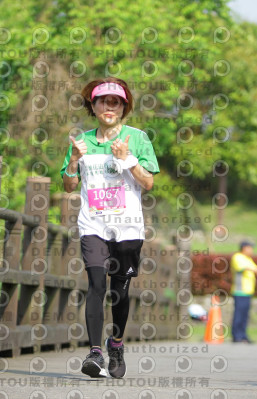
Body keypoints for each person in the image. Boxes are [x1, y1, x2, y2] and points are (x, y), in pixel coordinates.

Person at [60, 78, 159, 378]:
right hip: (93, 223)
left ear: (124, 107)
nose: (108, 106)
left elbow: (149, 183)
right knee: (96, 286)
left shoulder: (138, 138)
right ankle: (94, 353)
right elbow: (68, 186)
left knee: (119, 292)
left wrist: (126, 159)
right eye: (102, 101)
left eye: (115, 101)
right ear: (93, 105)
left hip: (128, 229)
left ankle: (116, 343)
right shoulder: (82, 141)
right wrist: (74, 161)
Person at [230, 241, 257, 343]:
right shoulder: (237, 257)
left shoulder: (248, 259)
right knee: (238, 315)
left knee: (245, 315)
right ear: (244, 248)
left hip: (247, 292)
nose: (252, 250)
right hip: (240, 291)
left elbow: (256, 269)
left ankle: (243, 335)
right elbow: (251, 269)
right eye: (250, 248)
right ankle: (237, 336)